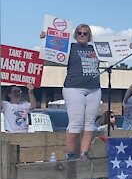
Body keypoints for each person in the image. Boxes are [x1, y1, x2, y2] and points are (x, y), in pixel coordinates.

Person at [42, 24, 102, 160]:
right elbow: (52, 49)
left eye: (85, 33)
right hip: (73, 87)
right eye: (79, 33)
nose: (82, 35)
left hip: (94, 88)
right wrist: (45, 39)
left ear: (89, 36)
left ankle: (84, 153)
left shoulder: (95, 49)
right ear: (75, 35)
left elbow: (113, 52)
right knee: (76, 121)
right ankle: (70, 153)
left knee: (90, 123)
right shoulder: (70, 48)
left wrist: (126, 47)